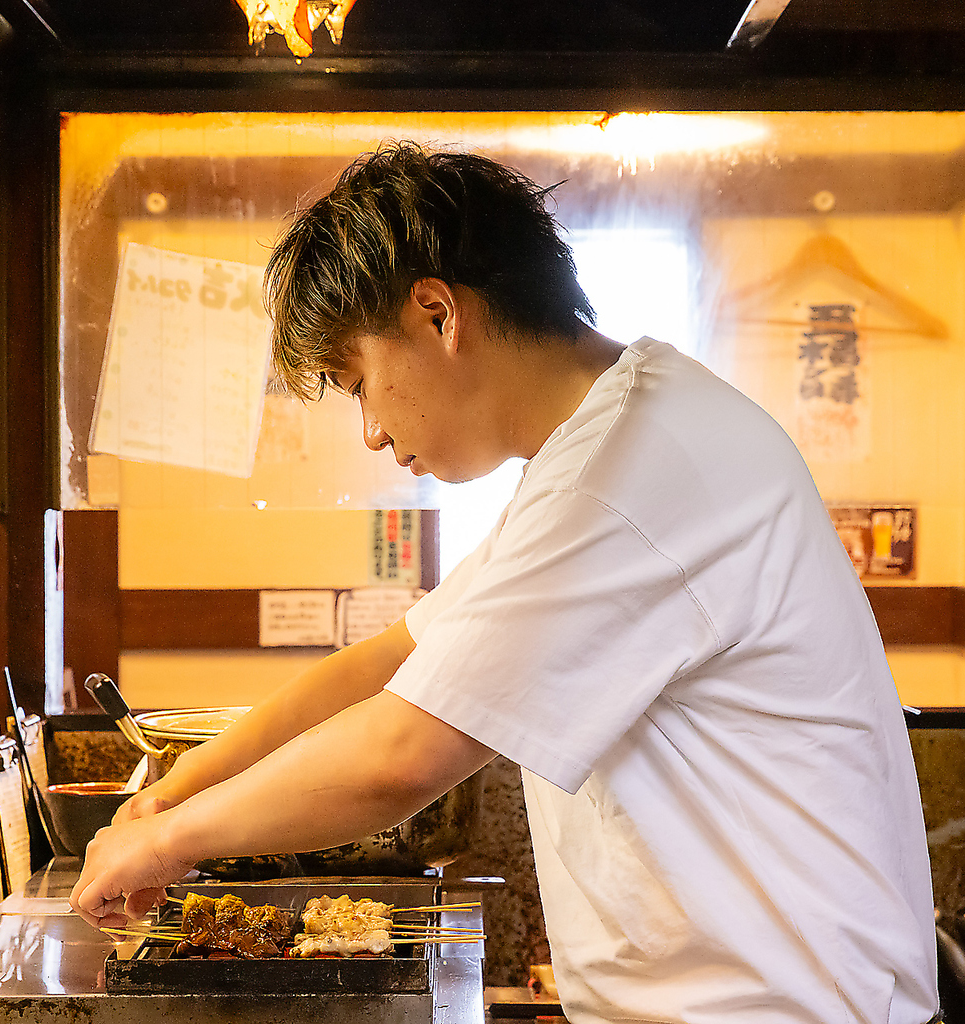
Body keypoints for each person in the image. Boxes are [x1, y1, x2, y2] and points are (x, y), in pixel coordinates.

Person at [70, 142, 940, 1024]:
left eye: (359, 382)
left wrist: (171, 847)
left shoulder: (628, 469)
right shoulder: (612, 441)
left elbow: (401, 758)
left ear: (439, 313)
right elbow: (392, 660)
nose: (370, 431)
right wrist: (170, 792)